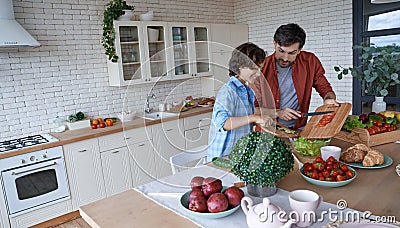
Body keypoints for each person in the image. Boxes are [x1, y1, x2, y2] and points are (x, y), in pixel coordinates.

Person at [252, 23, 339, 130]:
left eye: (292, 53)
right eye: (281, 51)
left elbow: (325, 89)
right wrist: (278, 113)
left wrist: (329, 99)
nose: (285, 58)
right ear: (274, 44)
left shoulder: (310, 61)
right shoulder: (260, 68)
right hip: (267, 131)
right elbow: (252, 109)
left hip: (298, 129)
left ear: (299, 49)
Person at [207, 42, 273, 161]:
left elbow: (244, 120)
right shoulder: (227, 91)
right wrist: (255, 118)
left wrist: (260, 121)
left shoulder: (248, 91)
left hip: (237, 155)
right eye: (254, 68)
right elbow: (224, 124)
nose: (259, 73)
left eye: (260, 69)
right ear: (240, 67)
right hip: (221, 158)